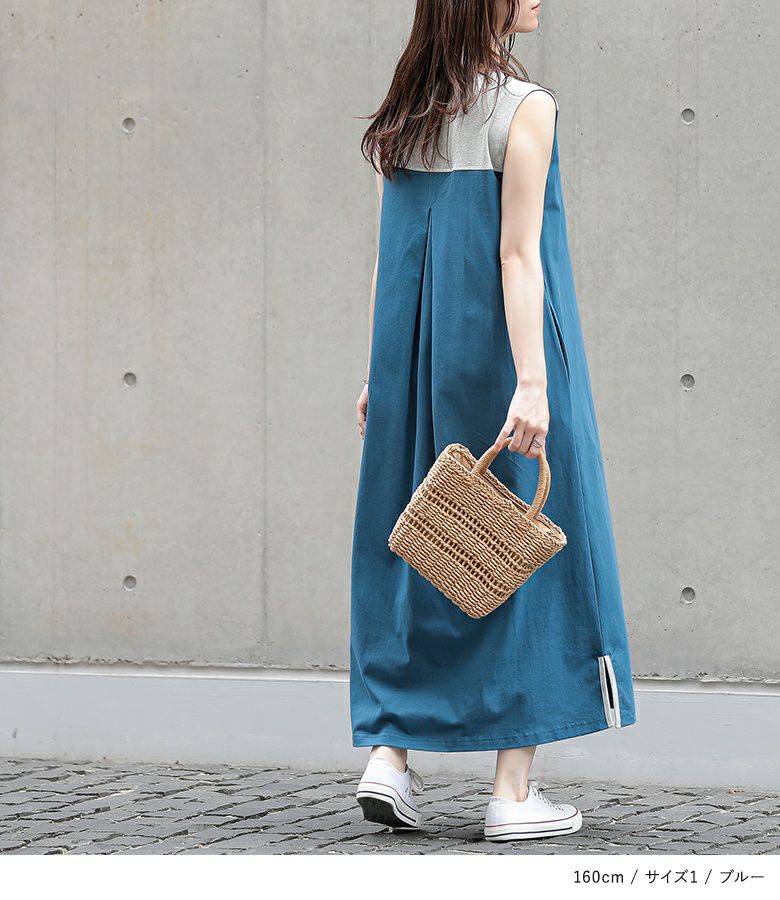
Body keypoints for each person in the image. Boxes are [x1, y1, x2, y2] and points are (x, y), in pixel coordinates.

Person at [349, 0, 637, 842]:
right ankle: (512, 793)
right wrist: (534, 384)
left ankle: (390, 756)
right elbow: (517, 253)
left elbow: (390, 255)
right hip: (503, 359)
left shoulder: (405, 111)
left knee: (419, 545)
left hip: (410, 361)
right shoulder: (524, 107)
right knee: (525, 546)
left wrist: (375, 373)